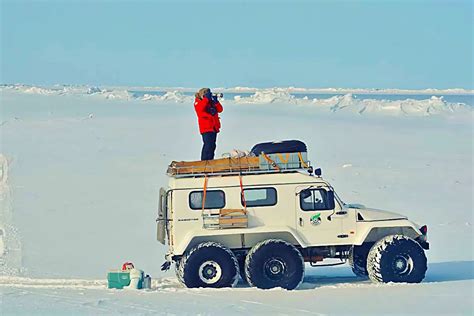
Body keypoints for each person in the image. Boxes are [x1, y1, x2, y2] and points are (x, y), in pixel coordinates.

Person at [194, 88, 223, 160]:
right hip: (206, 128)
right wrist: (206, 99)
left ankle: (210, 160)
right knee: (207, 145)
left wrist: (216, 102)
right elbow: (200, 110)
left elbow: (220, 110)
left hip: (213, 127)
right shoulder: (198, 102)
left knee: (212, 145)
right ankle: (204, 161)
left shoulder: (211, 102)